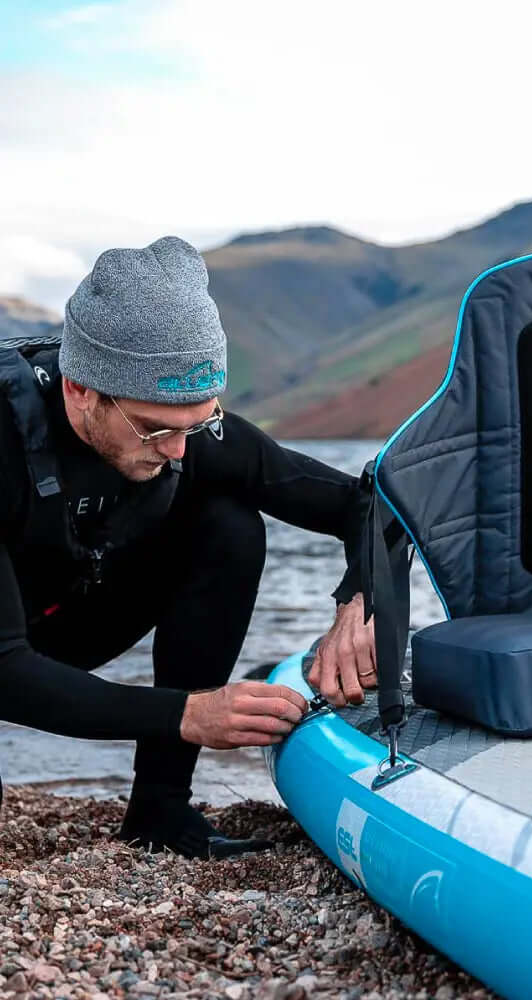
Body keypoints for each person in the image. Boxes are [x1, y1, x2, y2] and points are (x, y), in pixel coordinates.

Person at [0, 236, 376, 859]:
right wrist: (190, 713)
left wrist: (360, 603)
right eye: (156, 429)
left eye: (196, 424)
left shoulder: (188, 430)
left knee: (228, 522)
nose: (179, 450)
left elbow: (369, 505)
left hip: (66, 614)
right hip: (7, 648)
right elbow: (4, 672)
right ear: (79, 390)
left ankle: (161, 812)